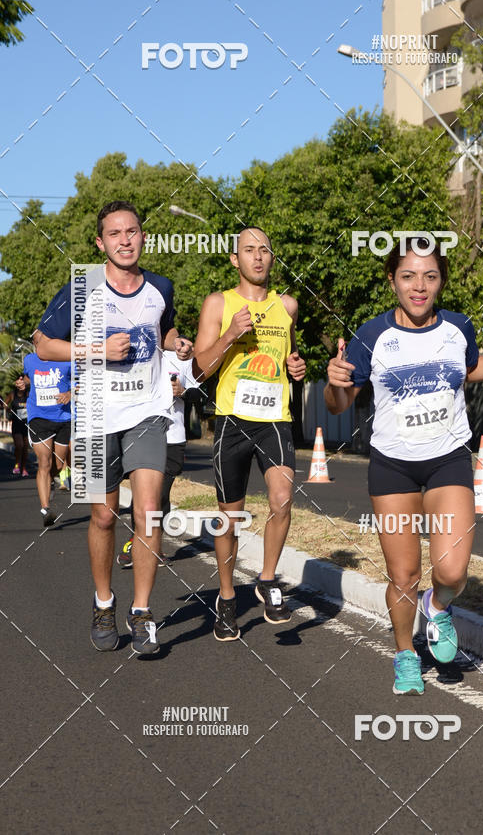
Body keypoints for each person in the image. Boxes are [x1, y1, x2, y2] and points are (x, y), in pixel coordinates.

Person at [324, 240, 483, 695]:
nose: (419, 287)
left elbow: (469, 366)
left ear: (440, 280)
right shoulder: (370, 336)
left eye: (430, 276)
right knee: (403, 575)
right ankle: (405, 656)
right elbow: (340, 403)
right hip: (393, 468)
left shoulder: (458, 327)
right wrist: (336, 382)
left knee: (453, 572)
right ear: (392, 279)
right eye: (408, 276)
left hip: (447, 462)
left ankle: (437, 607)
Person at [34, 200, 193, 655]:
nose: (126, 239)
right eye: (115, 233)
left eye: (133, 231)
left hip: (147, 412)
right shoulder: (82, 287)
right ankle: (104, 602)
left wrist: (174, 341)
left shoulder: (161, 286)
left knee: (147, 511)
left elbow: (161, 328)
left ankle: (142, 612)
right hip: (96, 414)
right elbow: (43, 345)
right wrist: (95, 350)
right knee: (104, 515)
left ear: (143, 237)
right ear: (100, 242)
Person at [194, 226, 306, 641]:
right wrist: (228, 336)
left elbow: (291, 356)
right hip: (232, 421)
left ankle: (267, 579)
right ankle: (226, 599)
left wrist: (298, 367)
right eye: (249, 250)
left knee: (282, 498)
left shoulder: (287, 306)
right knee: (230, 518)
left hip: (275, 419)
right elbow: (199, 370)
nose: (258, 257)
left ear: (271, 259)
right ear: (234, 260)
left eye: (264, 250)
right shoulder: (219, 303)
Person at [117, 350, 199, 568]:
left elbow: (202, 394)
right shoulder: (139, 353)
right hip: (142, 433)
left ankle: (150, 543)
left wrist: (183, 391)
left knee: (161, 494)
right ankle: (139, 542)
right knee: (145, 491)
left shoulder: (182, 356)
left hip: (173, 436)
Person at [23, 352, 72, 526]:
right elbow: (29, 377)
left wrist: (71, 393)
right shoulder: (29, 359)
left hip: (63, 418)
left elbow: (85, 381)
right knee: (44, 462)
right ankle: (46, 509)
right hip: (38, 417)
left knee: (58, 465)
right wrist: (24, 383)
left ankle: (47, 481)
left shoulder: (66, 357)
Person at [5, 372, 30, 477]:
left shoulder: (29, 394)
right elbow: (5, 405)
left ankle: (23, 468)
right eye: (19, 380)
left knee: (25, 447)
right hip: (16, 424)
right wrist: (8, 408)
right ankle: (16, 465)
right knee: (19, 446)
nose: (21, 381)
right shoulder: (12, 394)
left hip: (27, 424)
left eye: (22, 379)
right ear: (17, 382)